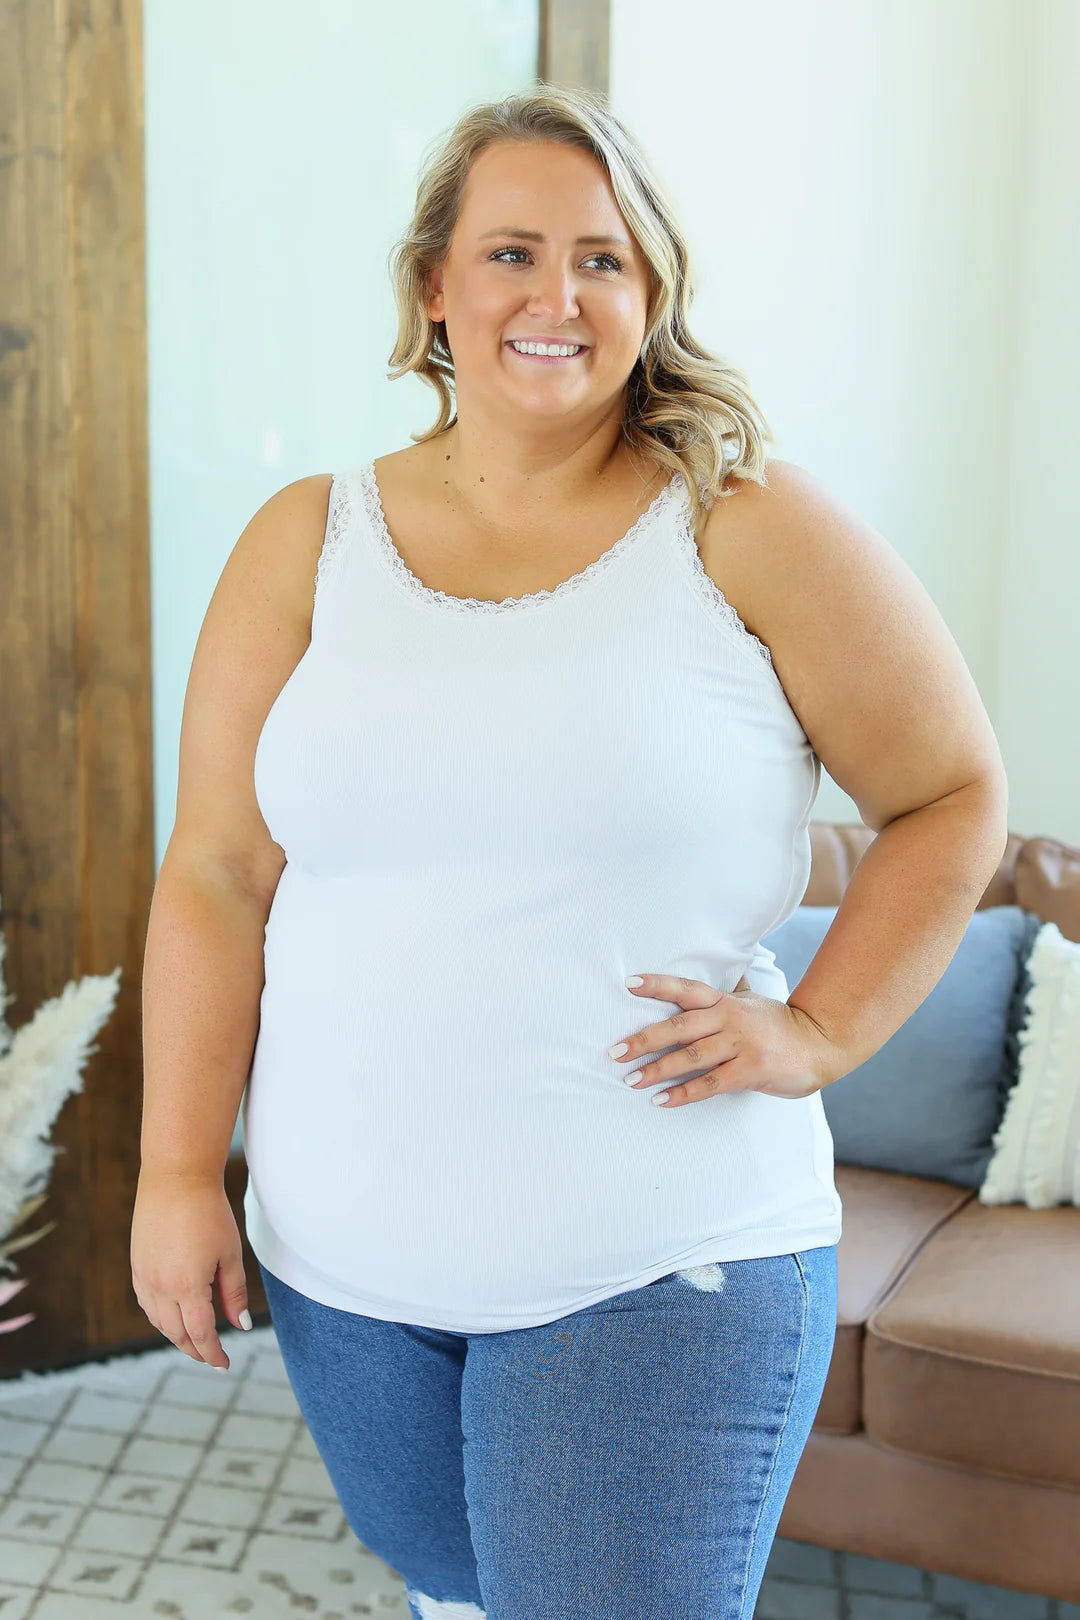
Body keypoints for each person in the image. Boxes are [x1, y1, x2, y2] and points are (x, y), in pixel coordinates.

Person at [132, 82, 1009, 1620]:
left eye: (605, 259)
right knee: (457, 1600)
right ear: (434, 289)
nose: (558, 296)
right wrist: (172, 1171)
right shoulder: (304, 539)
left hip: (656, 1270)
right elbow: (215, 871)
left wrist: (821, 1029)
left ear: (653, 293)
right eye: (513, 253)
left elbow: (949, 795)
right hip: (343, 1275)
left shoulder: (742, 523)